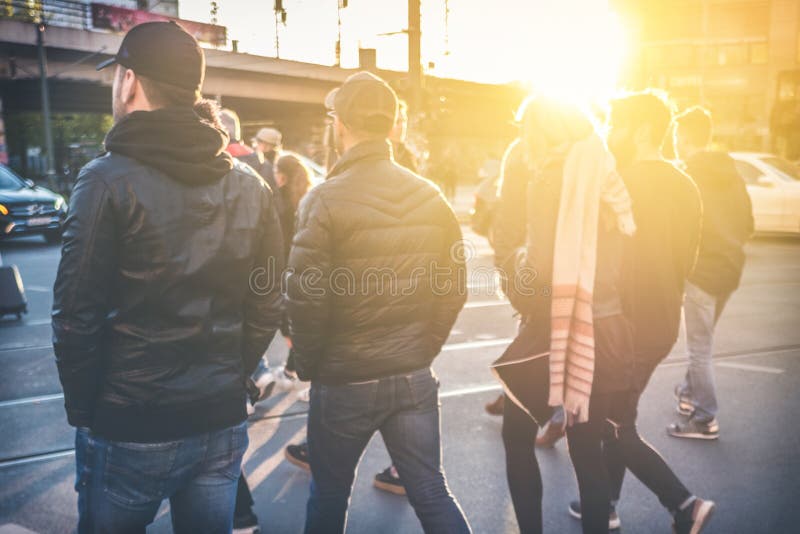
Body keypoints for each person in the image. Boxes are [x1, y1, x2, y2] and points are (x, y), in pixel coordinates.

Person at [52, 21, 284, 533]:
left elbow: (75, 316)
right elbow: (267, 301)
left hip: (129, 423)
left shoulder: (105, 179)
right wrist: (231, 376)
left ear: (129, 81)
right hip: (220, 421)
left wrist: (88, 413)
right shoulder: (250, 185)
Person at [287, 71, 471, 534]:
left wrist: (311, 365)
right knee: (431, 491)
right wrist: (422, 348)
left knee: (329, 494)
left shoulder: (323, 200)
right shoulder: (429, 195)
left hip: (344, 378)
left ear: (340, 126)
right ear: (390, 124)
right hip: (412, 375)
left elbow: (306, 299)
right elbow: (454, 286)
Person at [563, 91, 714, 533]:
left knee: (612, 425)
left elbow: (603, 260)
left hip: (621, 324)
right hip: (663, 320)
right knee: (617, 415)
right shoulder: (686, 185)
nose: (611, 133)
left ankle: (684, 505)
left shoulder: (621, 182)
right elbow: (689, 257)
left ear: (644, 130)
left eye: (618, 125)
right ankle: (607, 501)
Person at [491, 95, 637, 534]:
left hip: (558, 329)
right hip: (608, 327)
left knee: (516, 437)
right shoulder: (606, 174)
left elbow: (539, 272)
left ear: (539, 133)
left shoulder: (551, 179)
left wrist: (514, 271)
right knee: (587, 447)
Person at [669, 106, 753, 440]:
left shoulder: (687, 176)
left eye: (676, 136)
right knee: (703, 340)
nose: (674, 142)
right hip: (730, 270)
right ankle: (689, 394)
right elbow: (749, 224)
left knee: (699, 348)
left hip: (701, 271)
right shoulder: (731, 174)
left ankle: (705, 420)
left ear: (684, 138)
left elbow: (678, 229)